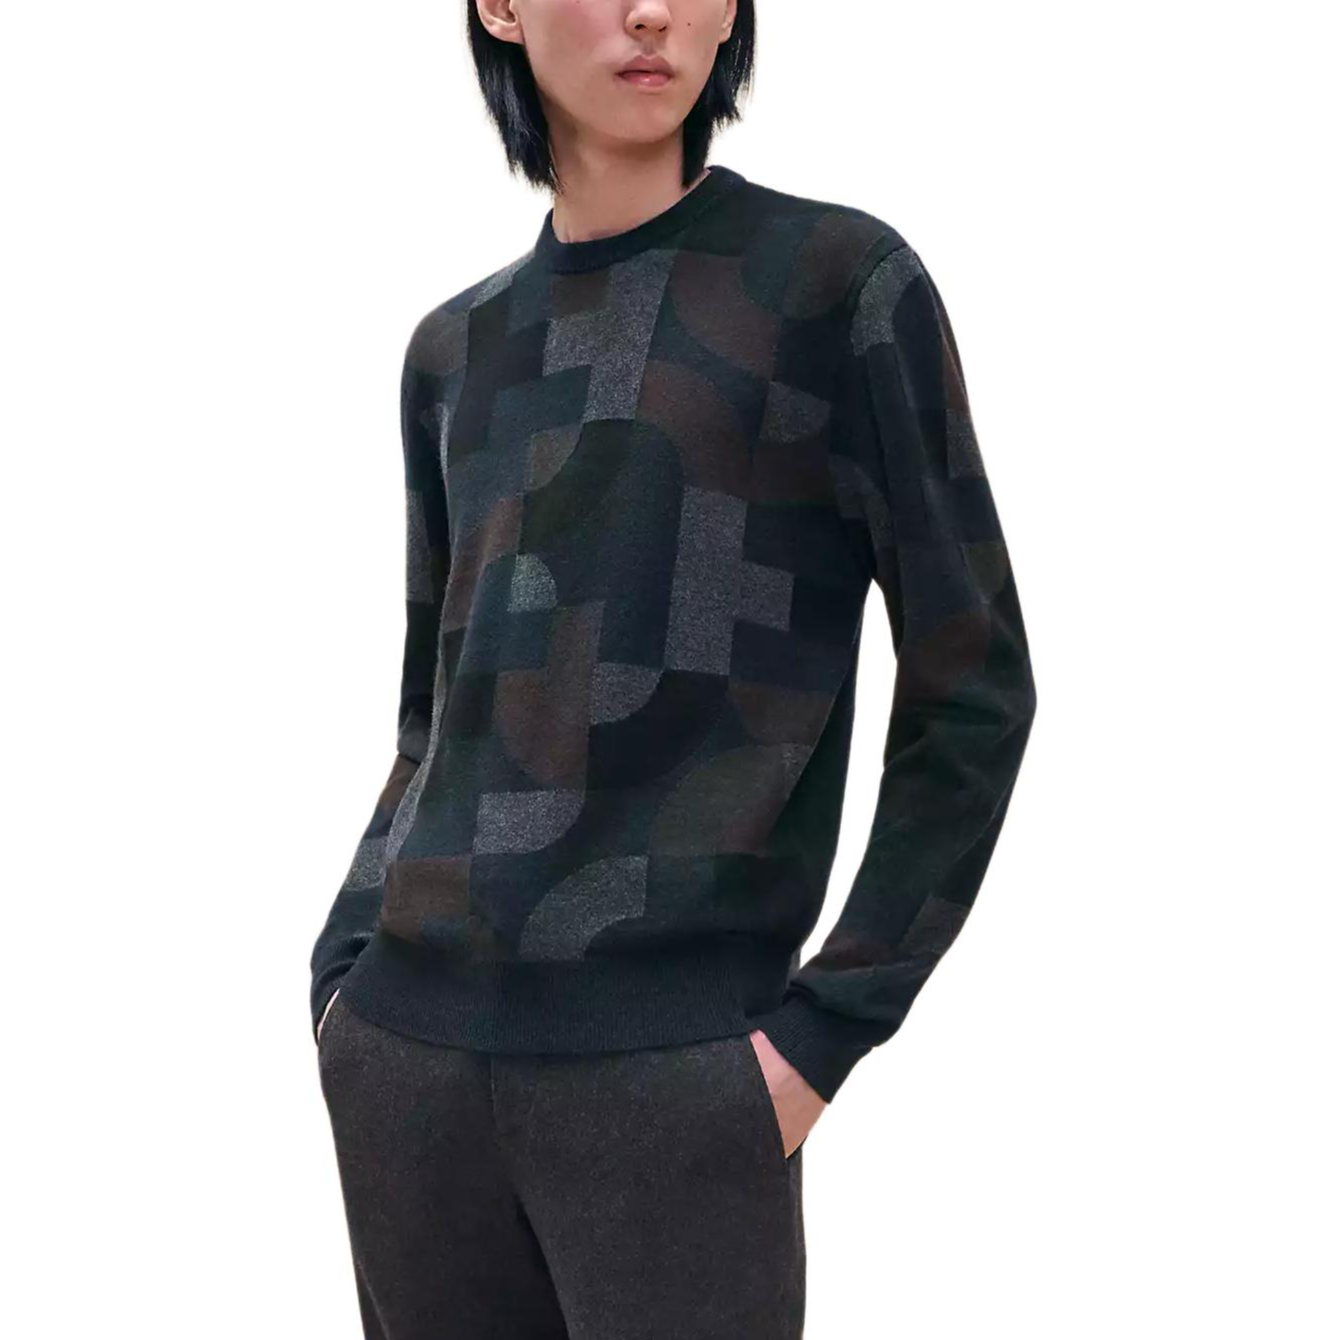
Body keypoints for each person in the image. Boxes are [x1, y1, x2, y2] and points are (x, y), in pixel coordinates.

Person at [308, 2, 1037, 1336]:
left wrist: (822, 1034)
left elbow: (974, 685)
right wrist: (343, 980)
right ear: (500, 7)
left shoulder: (835, 287)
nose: (653, 10)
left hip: (671, 1084)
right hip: (406, 1071)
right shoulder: (453, 352)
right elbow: (432, 716)